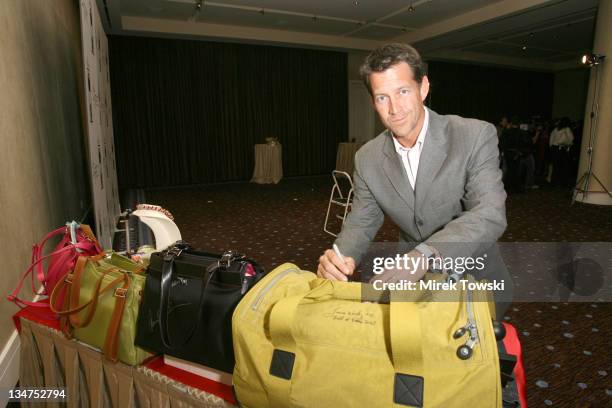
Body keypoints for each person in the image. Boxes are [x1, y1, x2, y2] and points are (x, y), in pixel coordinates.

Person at [317, 43, 512, 315]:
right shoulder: (367, 157)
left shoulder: (474, 135)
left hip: (474, 280)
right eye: (382, 97)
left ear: (423, 88)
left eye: (403, 91)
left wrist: (424, 256)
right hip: (415, 287)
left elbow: (489, 213)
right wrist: (339, 257)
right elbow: (362, 222)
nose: (394, 108)